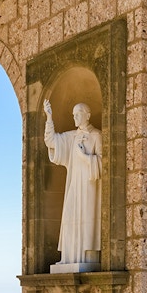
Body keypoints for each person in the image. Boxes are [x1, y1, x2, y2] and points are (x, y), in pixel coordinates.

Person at [43, 99, 102, 265]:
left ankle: (87, 259)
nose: (75, 117)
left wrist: (85, 157)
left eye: (78, 114)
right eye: (73, 114)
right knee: (69, 216)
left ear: (87, 116)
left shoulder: (97, 136)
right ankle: (68, 258)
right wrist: (49, 117)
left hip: (90, 187)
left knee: (87, 219)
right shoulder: (72, 137)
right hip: (74, 185)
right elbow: (52, 141)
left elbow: (104, 162)